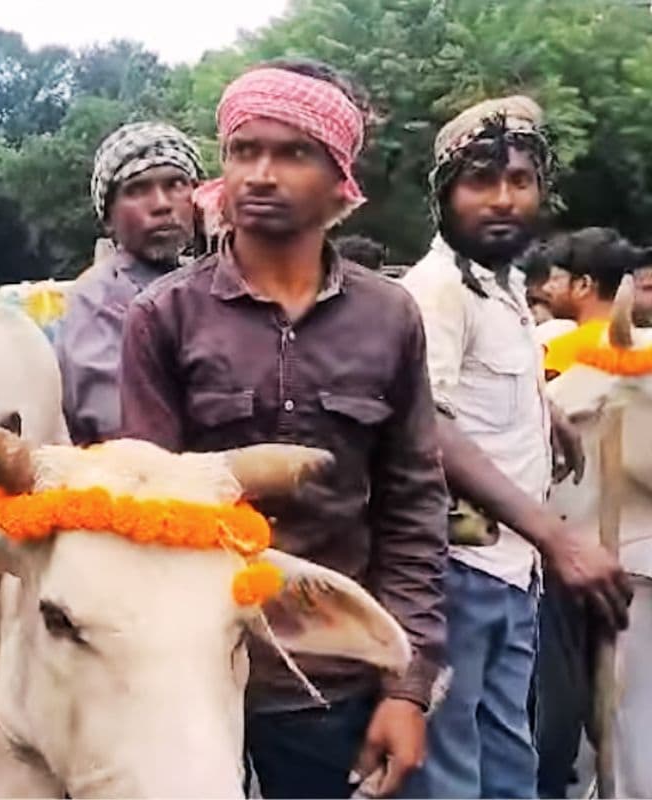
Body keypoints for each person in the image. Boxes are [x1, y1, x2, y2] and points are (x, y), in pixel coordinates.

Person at [120, 60, 448, 799]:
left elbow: (413, 507)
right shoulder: (162, 319)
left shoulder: (389, 318)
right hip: (197, 675)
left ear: (339, 181)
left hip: (334, 675)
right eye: (243, 151)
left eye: (292, 153)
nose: (259, 174)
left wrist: (408, 686)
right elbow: (147, 520)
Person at [400, 96, 631, 800]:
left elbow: (483, 394)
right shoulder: (436, 290)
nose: (503, 199)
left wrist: (545, 416)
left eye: (521, 181)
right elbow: (427, 426)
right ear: (444, 194)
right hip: (457, 570)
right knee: (451, 769)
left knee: (511, 757)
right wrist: (554, 537)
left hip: (511, 570)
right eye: (480, 182)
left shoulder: (499, 288)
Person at [56, 121, 202, 445]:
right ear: (108, 216)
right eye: (137, 189)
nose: (162, 204)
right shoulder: (97, 299)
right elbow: (119, 430)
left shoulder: (216, 280)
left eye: (176, 184)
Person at [539, 227, 642, 378]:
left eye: (555, 279)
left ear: (584, 285)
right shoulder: (643, 347)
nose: (546, 288)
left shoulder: (563, 351)